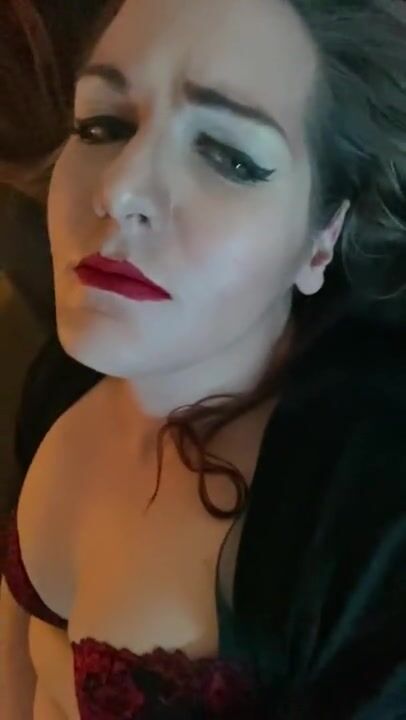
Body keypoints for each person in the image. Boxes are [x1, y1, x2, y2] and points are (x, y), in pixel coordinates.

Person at [1, 0, 406, 717]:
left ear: (321, 239)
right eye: (102, 126)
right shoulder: (69, 374)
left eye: (228, 156)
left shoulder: (368, 521)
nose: (117, 189)